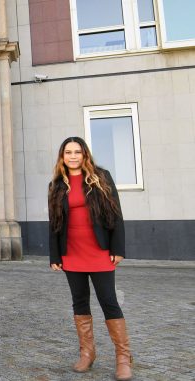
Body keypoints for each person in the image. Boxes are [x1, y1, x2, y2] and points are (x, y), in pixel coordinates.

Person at [48, 137, 132, 380]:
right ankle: (87, 353)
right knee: (79, 301)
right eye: (68, 152)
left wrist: (118, 248)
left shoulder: (101, 177)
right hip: (71, 252)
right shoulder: (56, 185)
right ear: (62, 156)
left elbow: (116, 215)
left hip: (99, 251)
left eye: (77, 152)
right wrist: (55, 255)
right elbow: (54, 222)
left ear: (85, 155)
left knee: (108, 301)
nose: (73, 156)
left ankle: (123, 357)